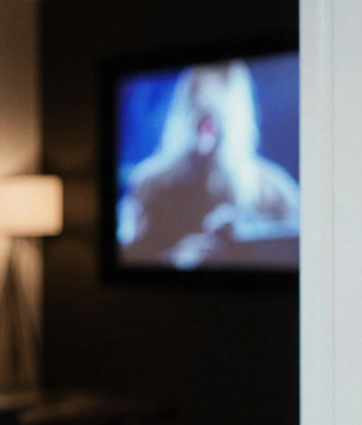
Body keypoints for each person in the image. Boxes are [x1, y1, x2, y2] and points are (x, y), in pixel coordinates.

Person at [117, 60, 299, 270]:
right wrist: (175, 260)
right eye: (197, 95)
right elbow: (126, 255)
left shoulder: (272, 190)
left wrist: (245, 236)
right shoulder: (149, 184)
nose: (205, 101)